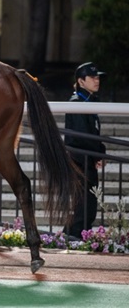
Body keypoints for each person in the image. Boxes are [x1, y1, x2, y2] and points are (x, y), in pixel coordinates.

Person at [63, 62, 106, 240]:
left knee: (88, 203)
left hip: (86, 159)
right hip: (80, 160)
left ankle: (75, 235)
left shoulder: (89, 100)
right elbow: (82, 135)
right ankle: (73, 236)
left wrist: (99, 152)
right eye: (93, 77)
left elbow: (91, 133)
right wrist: (99, 153)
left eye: (98, 77)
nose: (97, 81)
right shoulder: (77, 102)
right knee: (84, 204)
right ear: (81, 81)